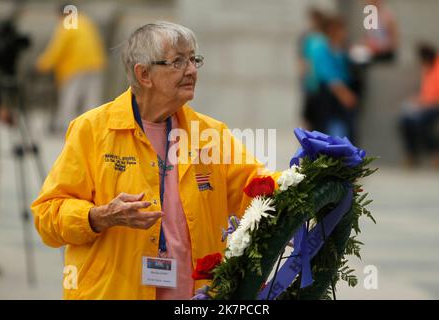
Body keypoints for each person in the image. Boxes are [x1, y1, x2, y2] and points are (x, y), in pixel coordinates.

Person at [31, 21, 279, 300]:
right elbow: (47, 216)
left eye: (194, 59)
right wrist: (98, 217)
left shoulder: (209, 134)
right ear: (144, 74)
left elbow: (257, 185)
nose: (192, 70)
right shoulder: (92, 129)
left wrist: (311, 174)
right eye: (178, 62)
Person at [35, 5, 107, 134]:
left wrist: (42, 65)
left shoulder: (68, 24)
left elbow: (57, 49)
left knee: (69, 100)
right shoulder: (86, 21)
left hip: (75, 66)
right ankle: (94, 129)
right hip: (95, 64)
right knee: (91, 100)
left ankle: (68, 130)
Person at [399, 43, 439, 168]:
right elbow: (426, 92)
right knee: (405, 120)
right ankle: (412, 154)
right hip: (428, 105)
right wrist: (418, 101)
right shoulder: (427, 68)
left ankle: (434, 153)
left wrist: (427, 102)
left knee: (422, 121)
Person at [311, 16, 358, 142]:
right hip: (328, 95)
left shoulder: (340, 48)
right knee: (327, 128)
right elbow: (329, 76)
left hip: (340, 92)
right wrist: (344, 94)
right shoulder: (321, 47)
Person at [297, 8, 327, 131]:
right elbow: (301, 58)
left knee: (321, 116)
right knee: (307, 117)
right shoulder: (306, 37)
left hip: (323, 82)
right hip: (310, 82)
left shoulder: (324, 37)